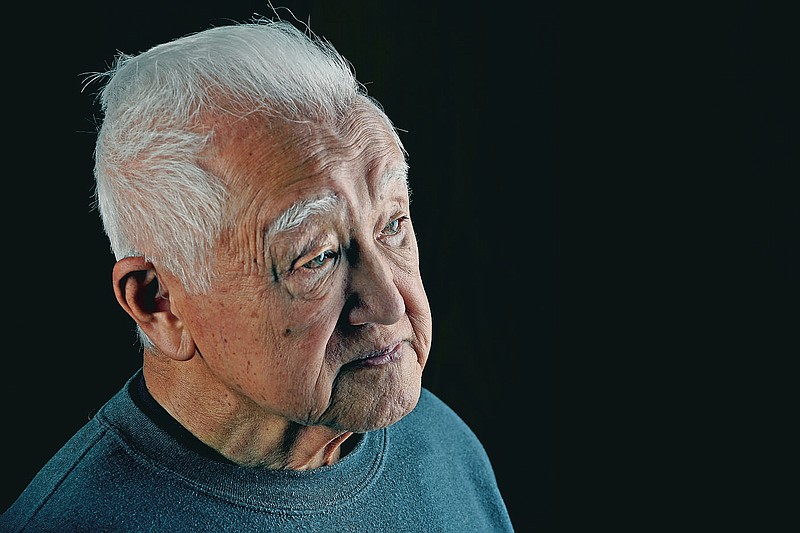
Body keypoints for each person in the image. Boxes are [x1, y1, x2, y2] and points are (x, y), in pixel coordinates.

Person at [1, 19, 513, 532]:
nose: (391, 305)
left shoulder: (443, 447)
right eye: (317, 257)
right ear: (160, 304)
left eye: (393, 225)